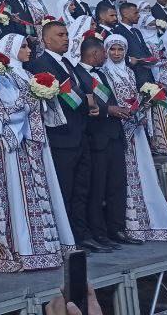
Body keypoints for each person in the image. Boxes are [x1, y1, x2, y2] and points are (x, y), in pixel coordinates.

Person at [0, 34, 76, 270]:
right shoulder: (3, 75)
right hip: (15, 141)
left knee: (41, 191)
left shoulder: (28, 74)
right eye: (23, 47)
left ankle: (48, 247)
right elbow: (2, 109)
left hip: (34, 140)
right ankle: (25, 249)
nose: (28, 50)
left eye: (28, 46)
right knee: (19, 196)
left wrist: (44, 96)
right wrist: (29, 99)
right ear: (10, 49)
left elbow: (36, 107)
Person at [26, 21, 100, 252]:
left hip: (81, 133)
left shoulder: (67, 62)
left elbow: (81, 89)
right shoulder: (39, 64)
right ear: (46, 40)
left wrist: (91, 103)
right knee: (65, 189)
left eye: (67, 34)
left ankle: (81, 234)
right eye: (60, 35)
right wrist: (84, 101)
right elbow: (56, 97)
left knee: (82, 189)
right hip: (61, 136)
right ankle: (66, 238)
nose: (66, 38)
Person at [100, 35, 167, 241]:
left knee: (144, 170)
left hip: (135, 127)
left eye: (120, 49)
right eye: (113, 49)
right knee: (126, 175)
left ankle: (150, 220)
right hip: (119, 128)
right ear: (106, 51)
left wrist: (142, 106)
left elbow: (134, 96)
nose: (117, 53)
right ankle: (130, 224)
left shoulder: (129, 71)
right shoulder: (103, 72)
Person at [72, 37, 140, 248]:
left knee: (116, 185)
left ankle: (116, 229)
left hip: (114, 135)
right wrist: (108, 110)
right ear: (94, 54)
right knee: (97, 188)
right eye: (104, 52)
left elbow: (109, 99)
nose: (107, 55)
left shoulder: (101, 73)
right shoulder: (76, 73)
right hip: (95, 138)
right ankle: (98, 233)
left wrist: (122, 110)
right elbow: (81, 104)